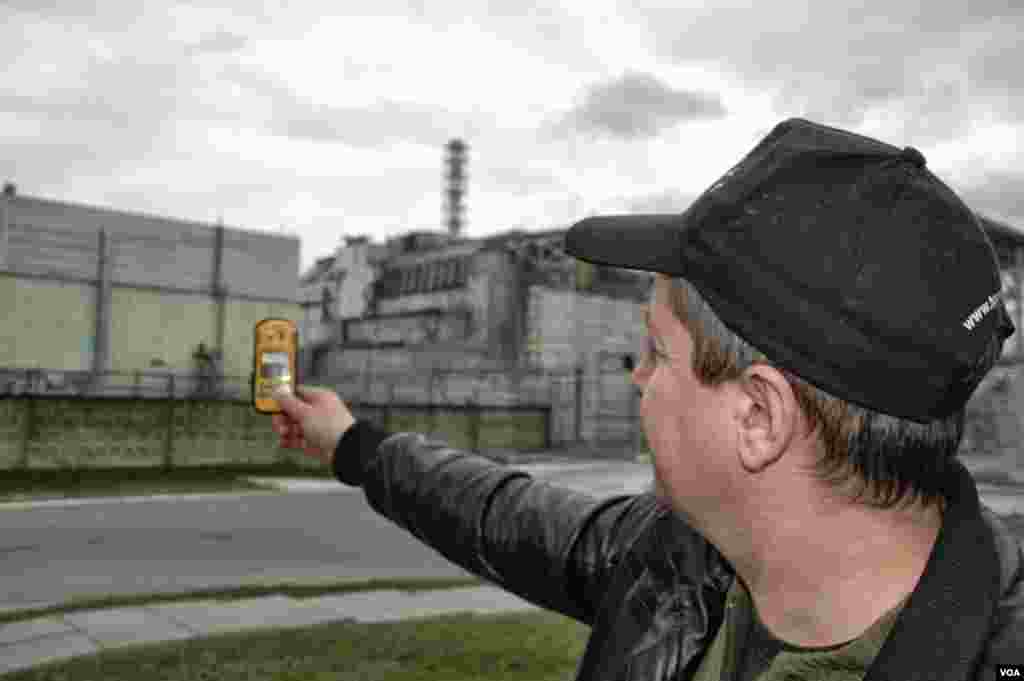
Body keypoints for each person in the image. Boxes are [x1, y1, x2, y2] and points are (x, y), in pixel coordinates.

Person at [271, 118, 1024, 680]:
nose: (637, 376)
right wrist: (350, 443)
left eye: (658, 351)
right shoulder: (677, 564)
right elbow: (500, 513)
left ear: (757, 418)